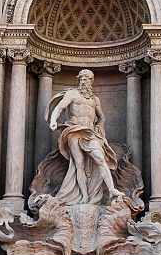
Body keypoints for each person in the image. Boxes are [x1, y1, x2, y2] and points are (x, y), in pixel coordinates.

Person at [48, 69, 124, 204]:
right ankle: (84, 196)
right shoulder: (72, 94)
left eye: (86, 79)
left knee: (100, 159)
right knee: (79, 164)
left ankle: (112, 189)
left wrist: (100, 125)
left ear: (91, 81)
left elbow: (101, 117)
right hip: (74, 130)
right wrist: (53, 120)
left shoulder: (95, 100)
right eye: (81, 79)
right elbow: (59, 108)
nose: (83, 82)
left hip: (89, 132)